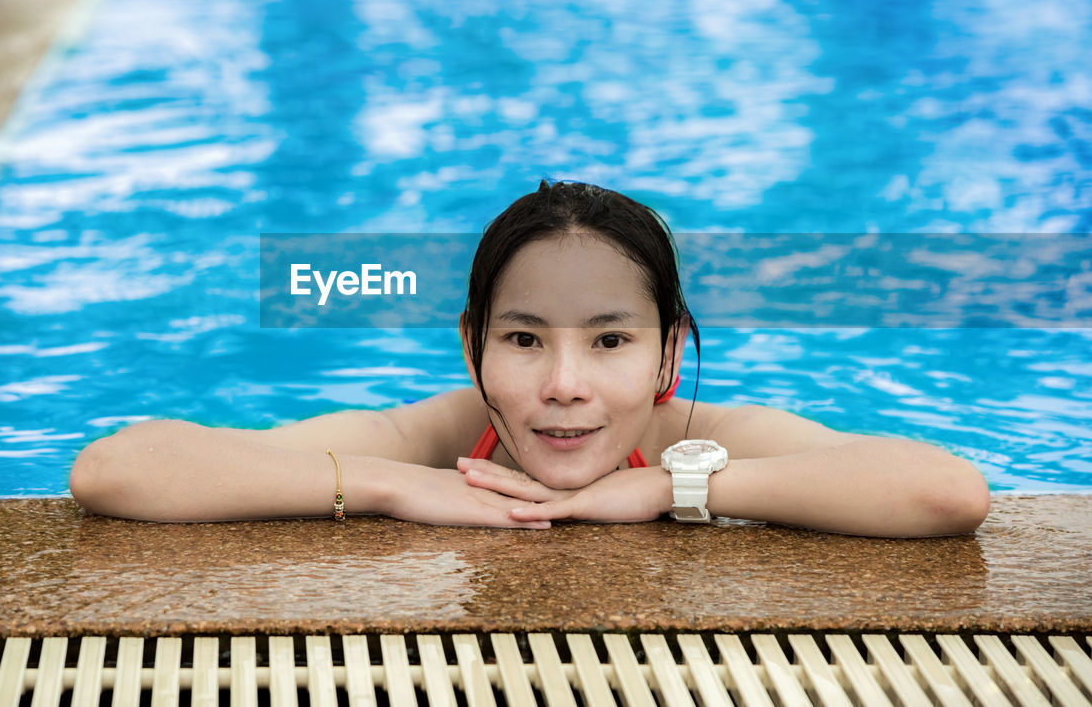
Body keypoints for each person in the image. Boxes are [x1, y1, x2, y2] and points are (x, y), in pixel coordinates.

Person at [69, 180, 991, 537]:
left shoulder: (707, 438)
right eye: (522, 340)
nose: (563, 385)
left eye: (611, 340)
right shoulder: (428, 437)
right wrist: (393, 486)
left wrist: (677, 488)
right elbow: (117, 468)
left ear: (670, 349)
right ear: (472, 346)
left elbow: (945, 493)